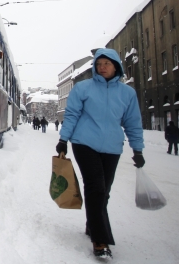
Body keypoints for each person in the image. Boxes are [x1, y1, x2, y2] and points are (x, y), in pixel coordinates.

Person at [55, 49, 144, 259]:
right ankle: (100, 240)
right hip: (84, 143)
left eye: (107, 63)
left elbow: (133, 123)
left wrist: (137, 149)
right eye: (99, 63)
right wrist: (63, 140)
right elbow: (72, 114)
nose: (102, 66)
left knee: (104, 191)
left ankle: (92, 223)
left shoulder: (127, 93)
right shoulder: (83, 88)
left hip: (112, 147)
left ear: (116, 66)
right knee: (96, 187)